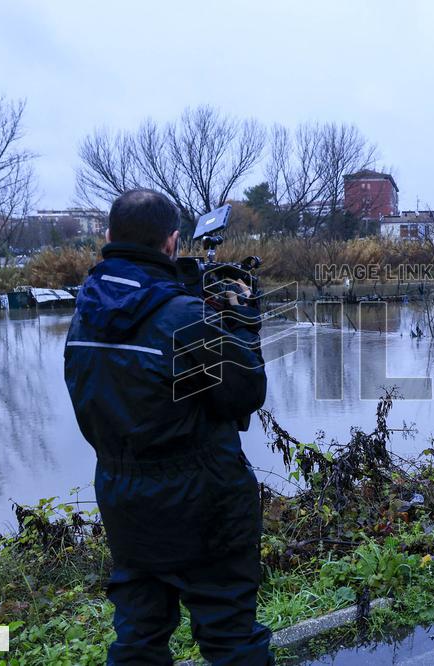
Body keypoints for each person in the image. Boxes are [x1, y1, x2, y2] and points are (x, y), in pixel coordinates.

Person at [63, 189, 272, 665]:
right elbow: (244, 394)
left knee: (139, 636)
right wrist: (238, 323)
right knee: (230, 636)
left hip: (124, 496)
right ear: (173, 243)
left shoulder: (84, 314)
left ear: (109, 237)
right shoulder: (187, 318)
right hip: (205, 499)